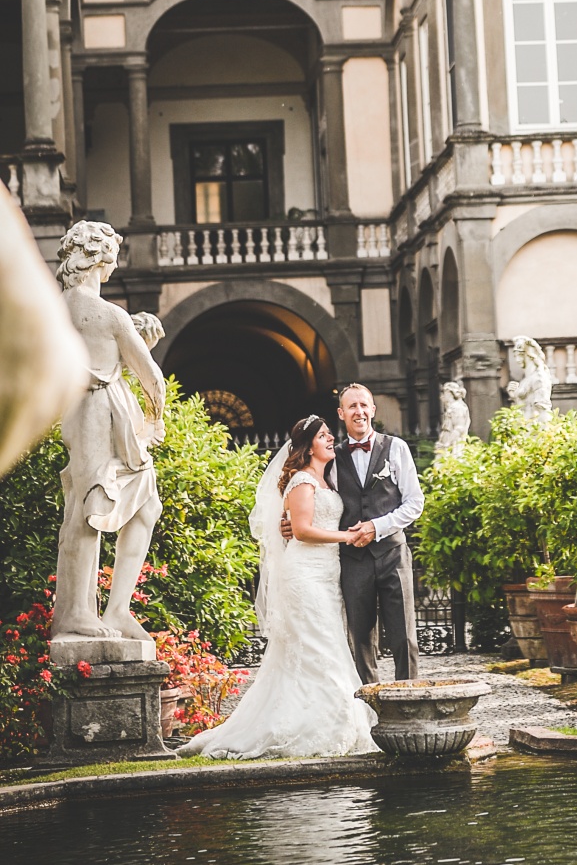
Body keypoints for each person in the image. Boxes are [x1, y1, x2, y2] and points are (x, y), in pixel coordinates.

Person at [180, 415, 376, 758]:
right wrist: (347, 536)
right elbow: (301, 530)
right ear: (309, 444)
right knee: (321, 650)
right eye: (325, 435)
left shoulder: (325, 479)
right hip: (304, 576)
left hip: (327, 575)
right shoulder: (302, 480)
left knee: (319, 650)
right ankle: (329, 724)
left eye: (331, 434)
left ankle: (324, 718)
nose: (332, 439)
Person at [51, 221, 166, 644]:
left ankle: (113, 610)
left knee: (140, 506)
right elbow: (152, 379)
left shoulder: (56, 307)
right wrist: (155, 421)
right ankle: (81, 612)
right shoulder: (108, 315)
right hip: (101, 412)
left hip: (80, 411)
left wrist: (127, 334)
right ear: (100, 260)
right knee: (91, 507)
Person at [297, 382, 424, 687]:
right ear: (341, 413)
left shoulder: (396, 448)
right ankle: (370, 707)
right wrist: (289, 523)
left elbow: (415, 503)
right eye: (352, 406)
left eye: (364, 405)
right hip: (353, 558)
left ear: (373, 410)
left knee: (403, 635)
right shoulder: (331, 457)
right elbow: (310, 495)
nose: (359, 411)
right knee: (361, 638)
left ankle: (409, 701)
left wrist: (376, 527)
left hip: (392, 553)